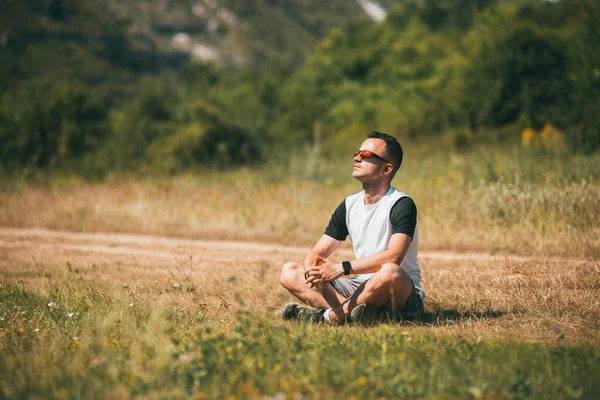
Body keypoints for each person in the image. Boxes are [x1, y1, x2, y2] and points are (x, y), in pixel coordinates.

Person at [279, 131, 424, 324]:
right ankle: (353, 314)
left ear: (386, 169)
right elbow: (317, 252)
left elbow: (393, 257)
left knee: (390, 271)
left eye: (365, 155)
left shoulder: (401, 204)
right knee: (289, 271)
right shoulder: (349, 205)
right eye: (357, 153)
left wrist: (343, 267)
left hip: (398, 292)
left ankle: (328, 316)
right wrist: (312, 270)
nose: (357, 158)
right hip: (359, 287)